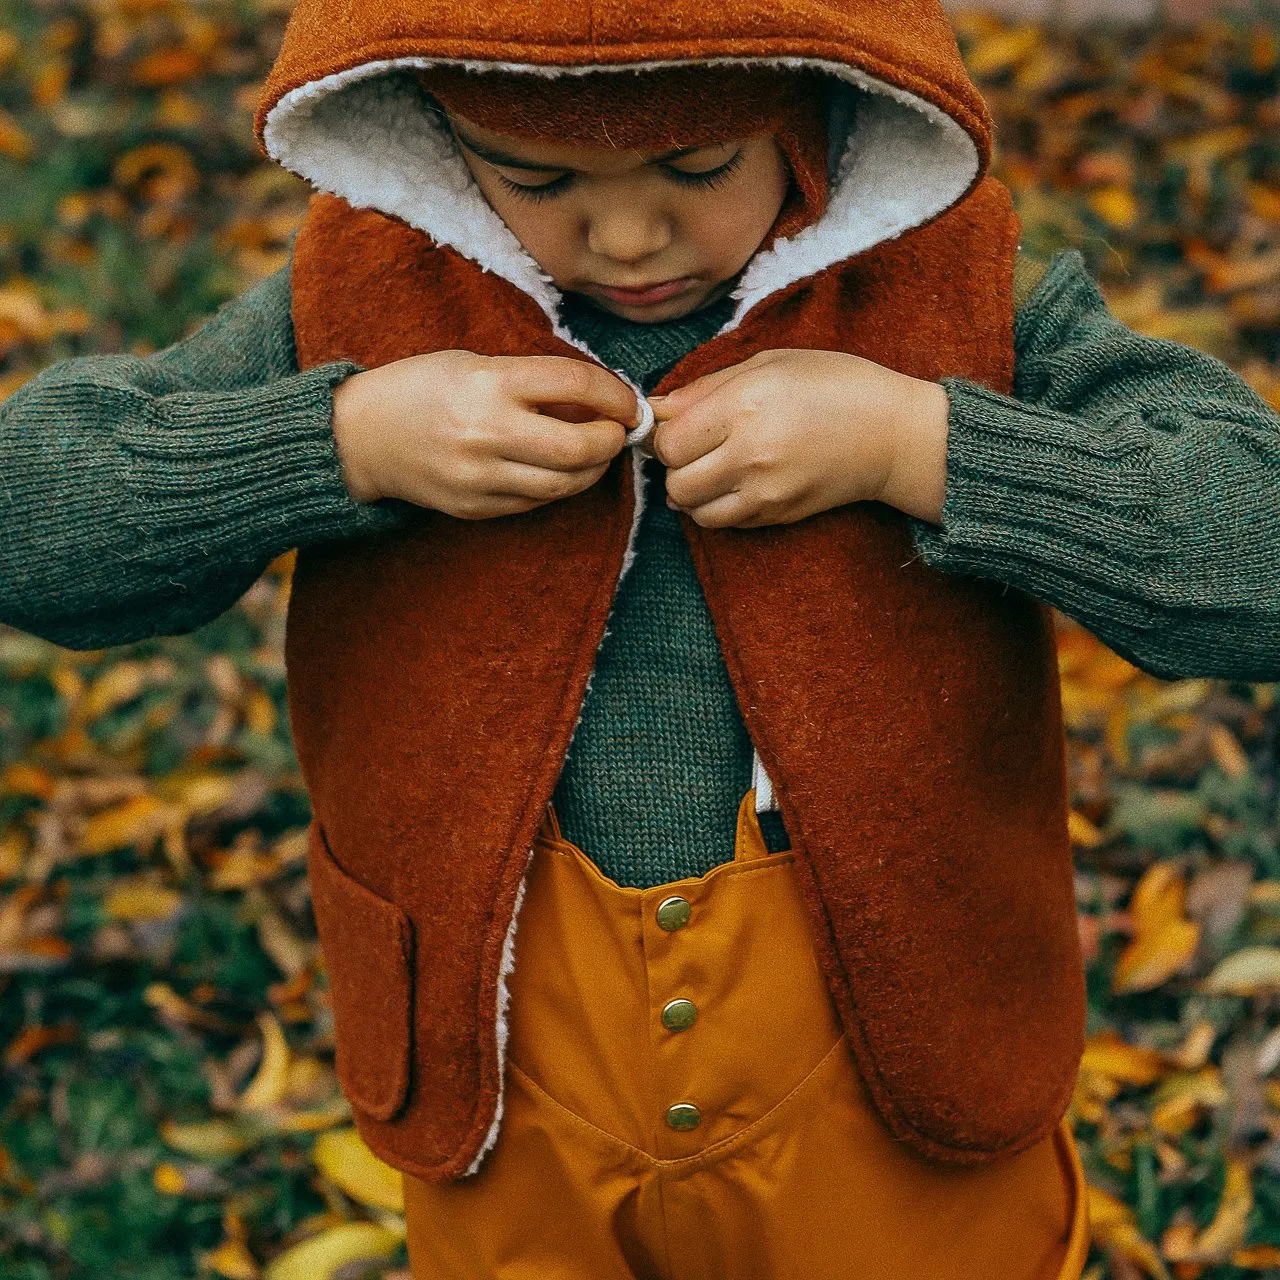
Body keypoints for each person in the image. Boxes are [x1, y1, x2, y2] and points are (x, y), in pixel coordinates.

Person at [3, 0, 1280, 1275]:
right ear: (437, 127)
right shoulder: (362, 295)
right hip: (508, 1072)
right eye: (536, 176)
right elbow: (35, 521)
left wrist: (920, 446)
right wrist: (336, 442)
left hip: (900, 1057)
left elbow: (1249, 550)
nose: (625, 234)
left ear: (814, 104)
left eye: (695, 166)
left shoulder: (958, 291)